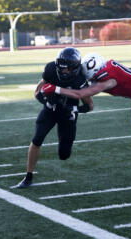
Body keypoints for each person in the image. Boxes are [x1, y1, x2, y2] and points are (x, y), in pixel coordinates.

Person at [41, 53, 131, 173]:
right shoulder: (105, 66)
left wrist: (57, 89)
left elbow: (82, 94)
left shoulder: (108, 80)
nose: (92, 80)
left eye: (92, 78)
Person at [16, 47, 94, 188]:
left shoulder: (80, 79)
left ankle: (63, 147)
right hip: (50, 110)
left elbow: (89, 106)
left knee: (64, 154)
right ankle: (28, 176)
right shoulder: (51, 69)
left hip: (68, 114)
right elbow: (37, 92)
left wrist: (73, 109)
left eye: (67, 69)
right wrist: (47, 102)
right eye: (62, 68)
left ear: (75, 68)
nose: (64, 71)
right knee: (37, 139)